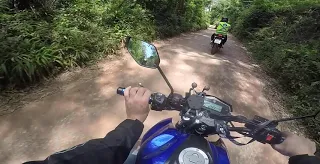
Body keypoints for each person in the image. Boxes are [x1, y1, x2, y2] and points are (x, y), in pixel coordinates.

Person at [24, 87, 320, 164]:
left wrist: (134, 120)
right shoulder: (222, 27)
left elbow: (94, 154)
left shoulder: (223, 29)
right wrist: (305, 155)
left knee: (128, 156)